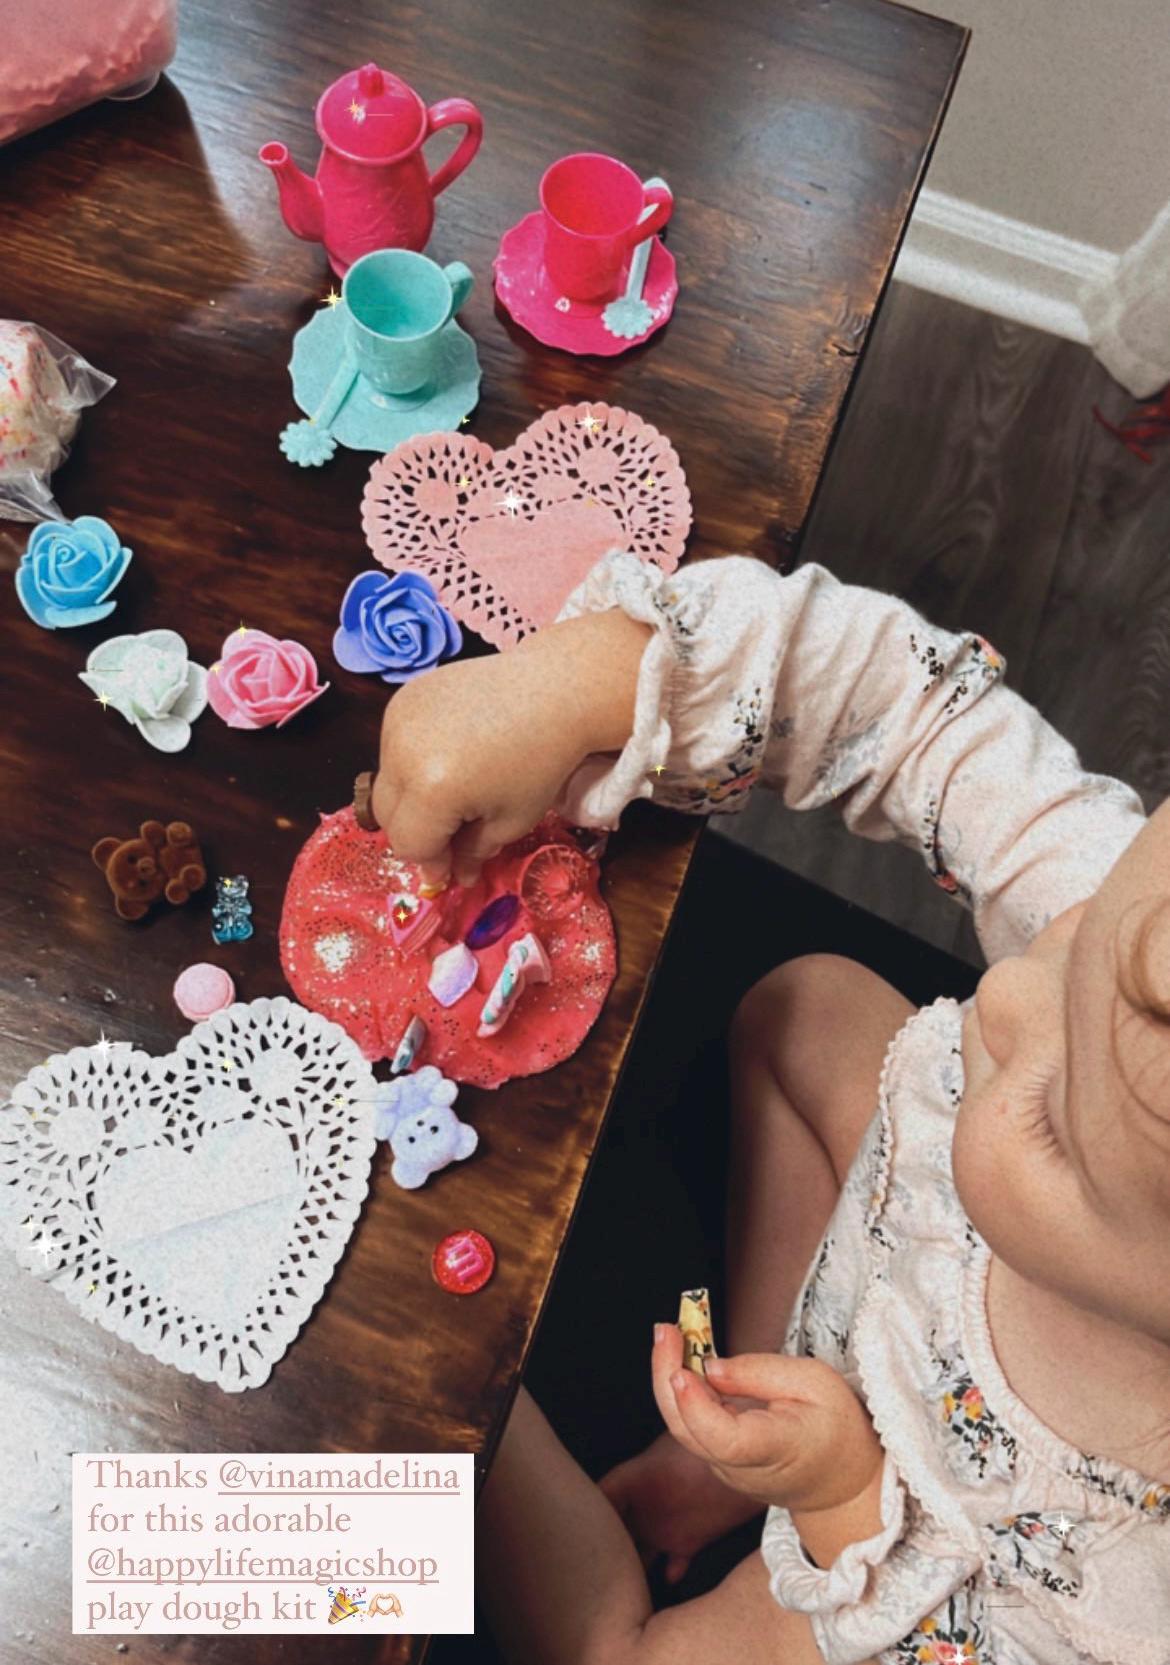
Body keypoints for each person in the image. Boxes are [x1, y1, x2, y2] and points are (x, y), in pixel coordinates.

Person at [372, 552, 1170, 1664]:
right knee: (805, 1004)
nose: (1003, 996)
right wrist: (596, 679)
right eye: (1075, 940)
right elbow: (916, 708)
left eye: (1052, 1118)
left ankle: (452, 1402)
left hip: (907, 1554)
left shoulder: (1132, 1593)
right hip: (900, 1249)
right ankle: (739, 1411)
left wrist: (838, 1495)